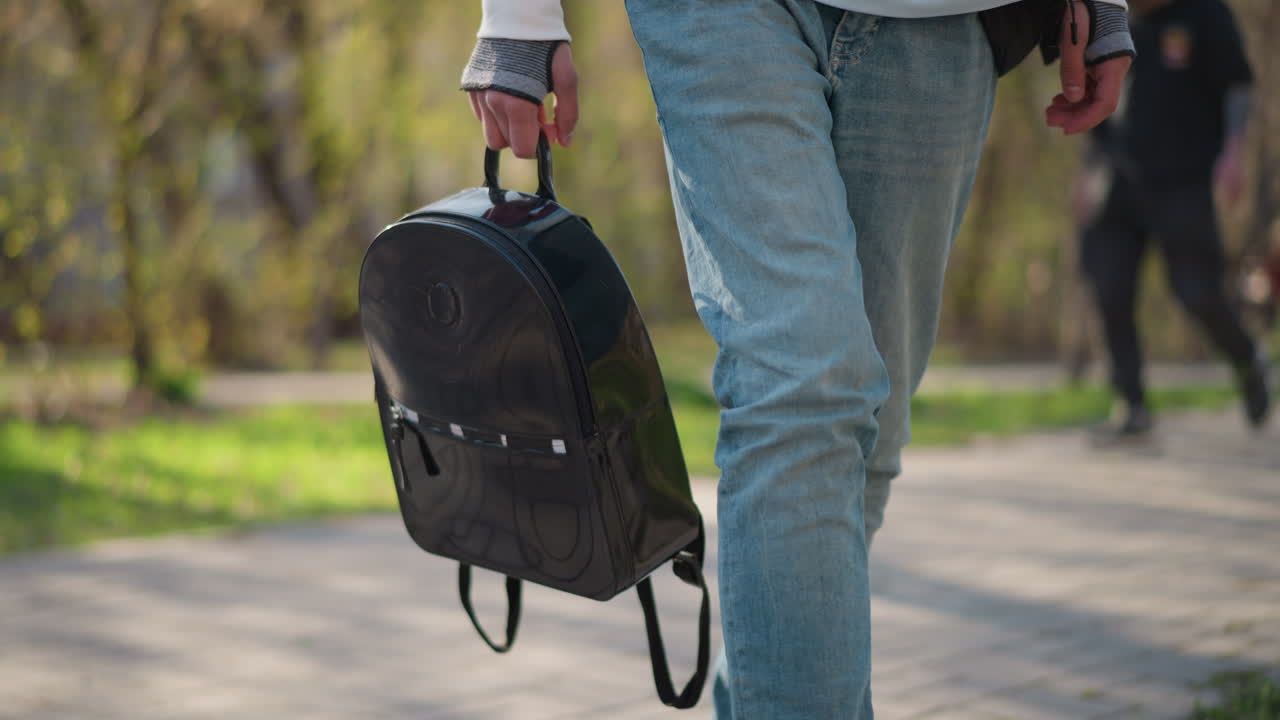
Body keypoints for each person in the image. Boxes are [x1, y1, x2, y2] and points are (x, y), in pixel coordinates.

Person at [461, 0, 1132, 717]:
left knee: (865, 441)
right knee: (804, 388)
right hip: (721, 17)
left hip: (945, 22)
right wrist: (520, 18)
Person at [1077, 0, 1270, 437]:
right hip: (1120, 177)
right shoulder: (1117, 15)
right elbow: (1100, 97)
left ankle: (1247, 358)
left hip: (1184, 179)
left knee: (1197, 292)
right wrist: (1088, 172)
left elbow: (1237, 84)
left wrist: (1234, 153)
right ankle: (1132, 404)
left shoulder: (1206, 14)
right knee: (1109, 287)